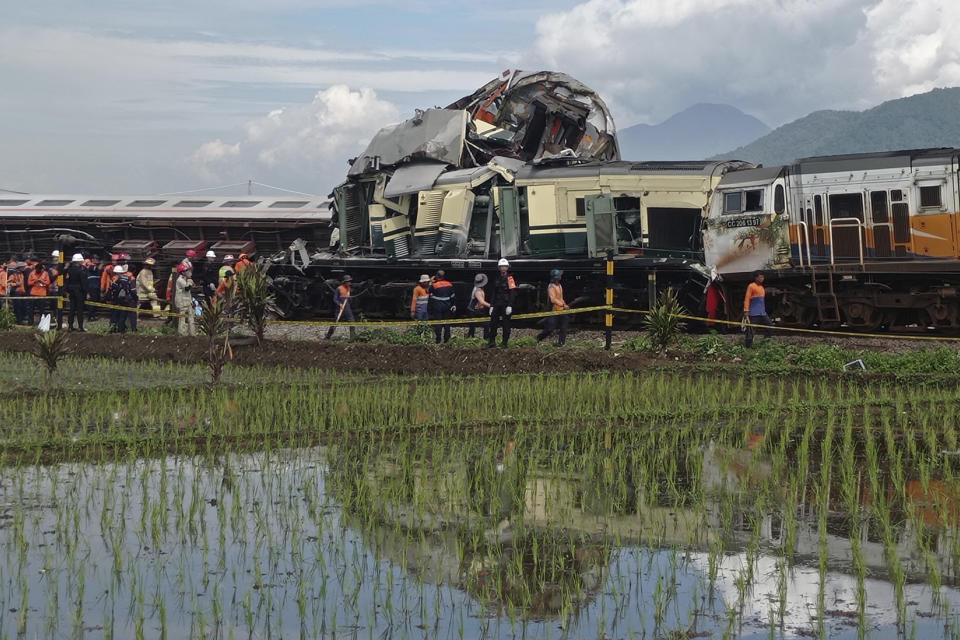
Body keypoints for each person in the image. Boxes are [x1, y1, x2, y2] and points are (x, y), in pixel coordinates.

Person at [486, 258, 517, 348]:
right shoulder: (497, 278)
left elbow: (512, 293)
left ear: (507, 268)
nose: (503, 268)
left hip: (506, 304)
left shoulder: (510, 279)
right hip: (497, 303)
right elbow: (494, 292)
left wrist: (510, 305)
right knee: (493, 323)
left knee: (506, 324)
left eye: (505, 266)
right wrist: (491, 305)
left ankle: (504, 343)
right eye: (501, 266)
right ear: (499, 268)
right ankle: (491, 341)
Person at [536, 269, 570, 346]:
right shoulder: (551, 286)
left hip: (562, 310)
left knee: (564, 327)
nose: (561, 277)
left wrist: (564, 304)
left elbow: (560, 297)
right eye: (560, 275)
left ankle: (561, 343)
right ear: (556, 277)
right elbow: (553, 299)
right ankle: (538, 338)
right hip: (554, 310)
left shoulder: (559, 285)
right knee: (550, 328)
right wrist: (563, 305)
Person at [743, 270, 773, 348]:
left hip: (762, 313)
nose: (762, 279)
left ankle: (765, 343)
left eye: (763, 277)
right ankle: (748, 347)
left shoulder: (762, 287)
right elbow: (747, 298)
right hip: (754, 313)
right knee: (751, 331)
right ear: (756, 278)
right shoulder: (751, 286)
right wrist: (746, 311)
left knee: (770, 326)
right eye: (760, 277)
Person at [107, 264, 138, 333]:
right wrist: (136, 299)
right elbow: (132, 291)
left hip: (117, 300)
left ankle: (113, 329)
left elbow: (111, 290)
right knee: (126, 315)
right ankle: (130, 329)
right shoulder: (130, 278)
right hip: (127, 300)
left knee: (115, 315)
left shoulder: (115, 279)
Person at [428, 270, 456, 343]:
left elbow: (428, 292)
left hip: (437, 306)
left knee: (438, 323)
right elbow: (452, 296)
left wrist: (431, 282)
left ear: (437, 276)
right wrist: (453, 304)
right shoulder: (449, 284)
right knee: (446, 323)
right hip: (447, 306)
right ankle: (446, 340)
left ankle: (438, 340)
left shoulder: (434, 285)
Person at [325, 274, 355, 339]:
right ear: (345, 282)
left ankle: (352, 338)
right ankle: (328, 336)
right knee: (336, 322)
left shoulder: (349, 289)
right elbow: (335, 299)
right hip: (340, 308)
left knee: (352, 322)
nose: (349, 283)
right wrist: (339, 304)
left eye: (350, 281)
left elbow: (349, 299)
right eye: (348, 281)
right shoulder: (339, 289)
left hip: (347, 308)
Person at [64, 253, 87, 331]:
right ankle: (80, 327)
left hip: (71, 292)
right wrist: (86, 292)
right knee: (80, 310)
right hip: (79, 292)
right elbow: (84, 283)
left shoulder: (69, 271)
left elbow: (67, 281)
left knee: (72, 309)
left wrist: (67, 291)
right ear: (79, 262)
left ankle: (70, 326)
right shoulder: (81, 271)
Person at [466, 273, 491, 338]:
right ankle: (485, 339)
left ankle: (470, 337)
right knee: (485, 324)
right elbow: (482, 302)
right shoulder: (478, 291)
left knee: (472, 325)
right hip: (475, 310)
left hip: (475, 309)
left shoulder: (478, 287)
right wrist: (491, 306)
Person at [174, 264, 196, 336]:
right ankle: (182, 334)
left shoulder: (185, 279)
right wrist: (190, 282)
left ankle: (192, 333)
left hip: (187, 301)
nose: (189, 272)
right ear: (183, 272)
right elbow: (186, 288)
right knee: (182, 318)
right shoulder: (180, 280)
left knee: (191, 317)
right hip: (182, 302)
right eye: (187, 271)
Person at [84, 255, 102, 321]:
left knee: (95, 302)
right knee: (92, 302)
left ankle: (93, 315)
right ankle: (90, 316)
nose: (97, 260)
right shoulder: (91, 266)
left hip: (96, 287)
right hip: (91, 287)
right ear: (92, 259)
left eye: (98, 259)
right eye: (96, 259)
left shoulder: (94, 267)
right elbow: (96, 269)